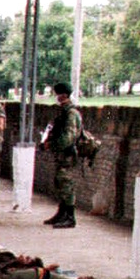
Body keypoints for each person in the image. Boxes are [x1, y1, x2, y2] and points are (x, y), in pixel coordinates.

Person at [43, 83, 81, 228]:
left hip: (68, 154)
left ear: (63, 95)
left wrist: (52, 145)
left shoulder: (71, 113)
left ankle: (70, 217)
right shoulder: (64, 111)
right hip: (62, 154)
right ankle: (62, 213)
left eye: (58, 94)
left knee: (66, 184)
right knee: (60, 183)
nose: (56, 97)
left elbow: (69, 137)